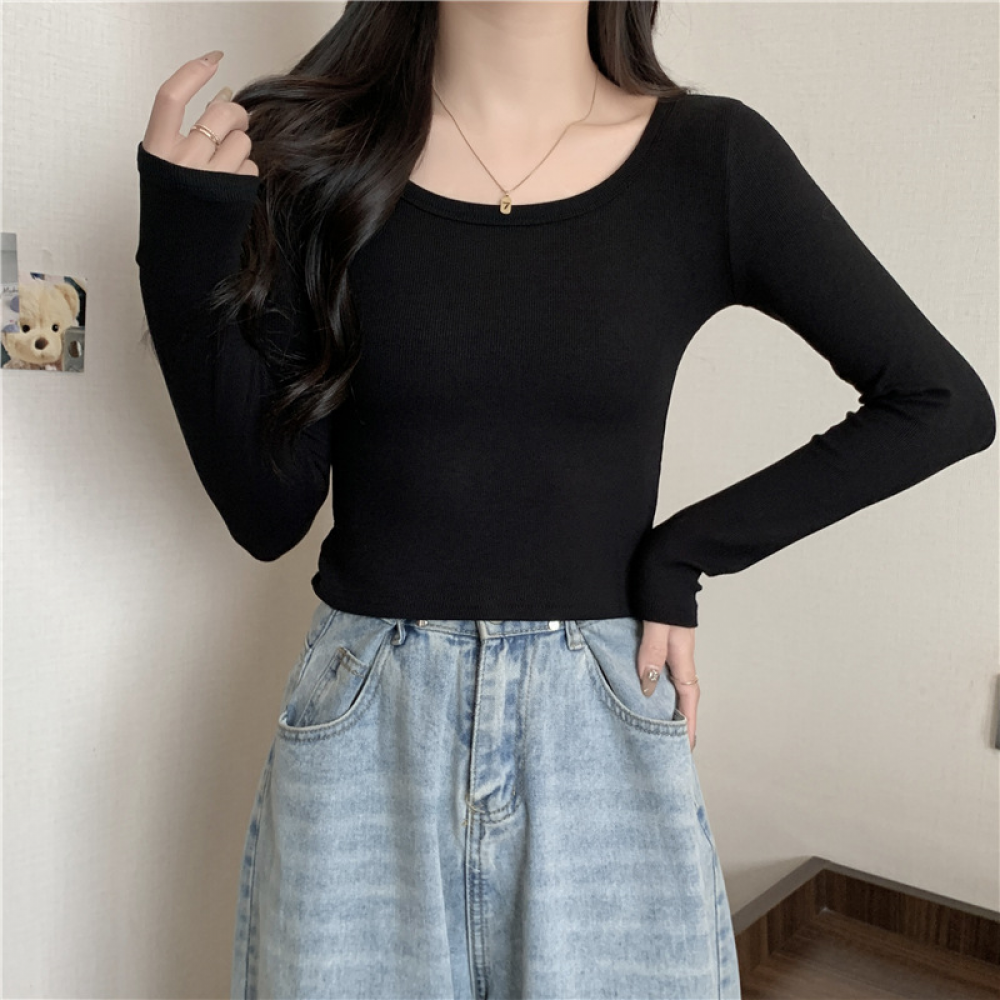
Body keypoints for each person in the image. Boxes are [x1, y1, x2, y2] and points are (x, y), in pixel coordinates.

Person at [133, 3, 996, 998]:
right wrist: (188, 234)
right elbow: (267, 512)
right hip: (367, 726)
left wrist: (680, 555)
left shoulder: (709, 158)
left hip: (597, 720)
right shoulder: (312, 151)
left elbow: (939, 402)